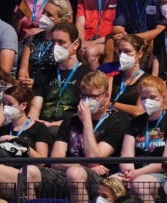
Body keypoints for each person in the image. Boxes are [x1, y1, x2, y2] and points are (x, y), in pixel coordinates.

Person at [24, 71, 128, 203]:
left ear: (106, 96)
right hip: (68, 172)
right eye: (84, 95)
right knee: (28, 172)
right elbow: (56, 161)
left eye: (93, 96)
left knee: (74, 173)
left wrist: (87, 122)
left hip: (99, 178)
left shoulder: (116, 122)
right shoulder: (70, 121)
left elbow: (94, 160)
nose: (87, 100)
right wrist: (85, 167)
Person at [120, 76, 167, 203]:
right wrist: (128, 173)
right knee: (110, 184)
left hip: (161, 175)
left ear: (163, 98)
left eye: (152, 97)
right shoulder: (135, 122)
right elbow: (126, 155)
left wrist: (136, 174)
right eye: (143, 98)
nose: (147, 101)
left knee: (139, 184)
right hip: (134, 173)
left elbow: (166, 161)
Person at [29, 22, 92, 132]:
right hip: (42, 126)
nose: (56, 46)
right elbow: (35, 107)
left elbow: (84, 112)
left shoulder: (88, 75)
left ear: (75, 45)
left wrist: (53, 125)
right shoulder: (43, 74)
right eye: (54, 42)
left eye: (61, 42)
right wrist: (34, 123)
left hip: (70, 126)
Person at [19, 0, 73, 87]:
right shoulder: (32, 39)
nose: (43, 16)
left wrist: (38, 84)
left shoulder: (65, 43)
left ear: (62, 20)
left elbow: (66, 73)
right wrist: (25, 81)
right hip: (30, 88)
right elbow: (23, 70)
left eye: (49, 15)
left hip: (54, 87)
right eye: (43, 12)